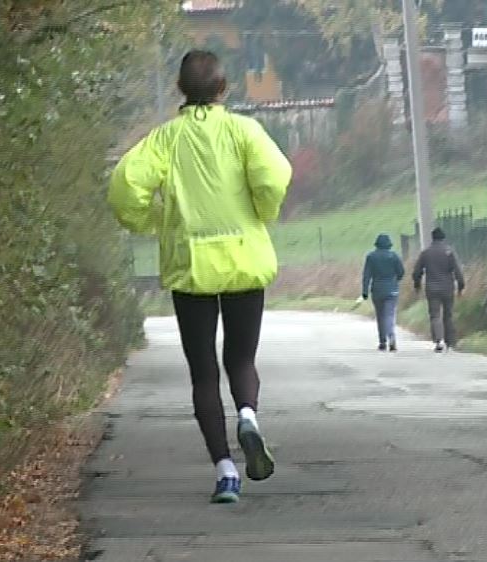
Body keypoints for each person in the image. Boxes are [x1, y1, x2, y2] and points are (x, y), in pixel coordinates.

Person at [107, 50, 292, 504]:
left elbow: (124, 185)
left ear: (180, 91)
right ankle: (248, 414)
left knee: (203, 373)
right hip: (245, 262)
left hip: (191, 269)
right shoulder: (245, 131)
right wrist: (262, 212)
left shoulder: (165, 140)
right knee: (242, 360)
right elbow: (274, 176)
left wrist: (150, 222)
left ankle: (225, 471)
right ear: (224, 89)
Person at [412, 227, 465, 353]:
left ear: (433, 238)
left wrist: (417, 285)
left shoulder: (426, 253)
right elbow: (458, 270)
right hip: (448, 288)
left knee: (435, 315)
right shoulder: (449, 252)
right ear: (443, 238)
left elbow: (416, 272)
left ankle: (438, 341)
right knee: (448, 315)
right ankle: (450, 342)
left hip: (432, 288)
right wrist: (461, 286)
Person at [362, 234, 405, 352]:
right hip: (392, 289)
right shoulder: (394, 256)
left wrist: (365, 291)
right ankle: (391, 337)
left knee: (380, 316)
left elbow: (366, 275)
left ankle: (382, 341)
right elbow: (401, 272)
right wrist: (395, 280)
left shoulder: (371, 257)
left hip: (377, 290)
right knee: (390, 315)